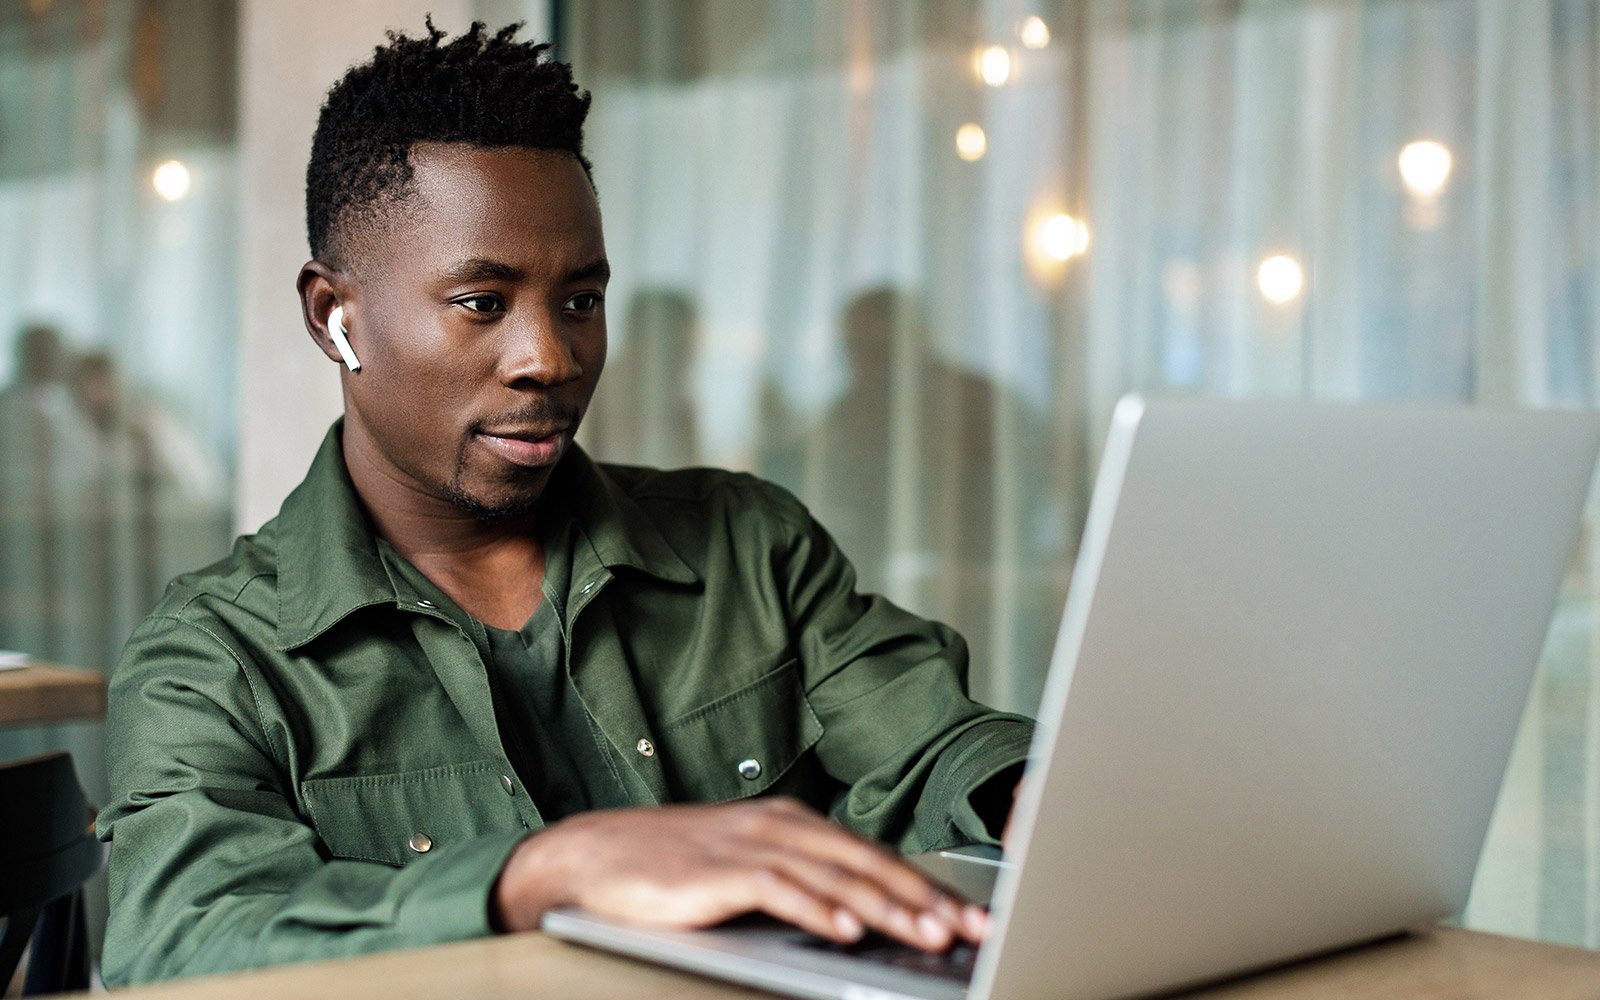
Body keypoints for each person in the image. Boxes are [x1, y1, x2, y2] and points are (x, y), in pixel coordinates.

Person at [96, 20, 1034, 985]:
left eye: (581, 300)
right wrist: (539, 876)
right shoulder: (213, 662)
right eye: (482, 303)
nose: (550, 358)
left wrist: (1034, 801)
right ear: (335, 317)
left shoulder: (750, 549)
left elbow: (940, 747)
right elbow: (179, 945)